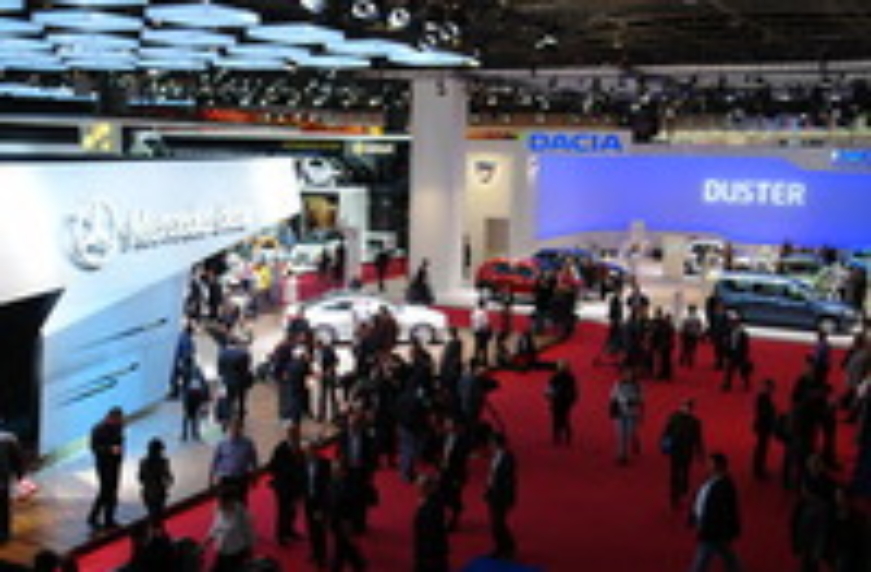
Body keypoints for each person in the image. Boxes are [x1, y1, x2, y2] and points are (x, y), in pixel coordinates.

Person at [688, 453, 743, 572]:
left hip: (713, 529)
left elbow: (724, 511)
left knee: (701, 559)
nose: (707, 465)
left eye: (710, 463)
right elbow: (701, 498)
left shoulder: (725, 486)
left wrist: (706, 526)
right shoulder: (710, 480)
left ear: (718, 466)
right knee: (725, 551)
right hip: (712, 528)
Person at [661, 399, 705, 509]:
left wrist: (699, 452)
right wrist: (664, 445)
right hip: (676, 450)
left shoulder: (695, 422)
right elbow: (667, 432)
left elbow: (698, 438)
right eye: (683, 406)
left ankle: (683, 489)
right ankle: (674, 497)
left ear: (691, 410)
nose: (684, 409)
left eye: (686, 408)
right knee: (675, 474)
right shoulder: (673, 418)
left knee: (685, 472)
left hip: (687, 451)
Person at [267, 423, 306, 545]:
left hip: (295, 486)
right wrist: (287, 471)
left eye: (297, 434)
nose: (296, 436)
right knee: (283, 511)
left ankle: (290, 530)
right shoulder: (280, 448)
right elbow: (273, 466)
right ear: (289, 434)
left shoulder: (299, 448)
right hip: (283, 486)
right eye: (294, 434)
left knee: (292, 511)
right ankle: (281, 535)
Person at [88, 407, 125, 530]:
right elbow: (94, 448)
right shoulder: (98, 429)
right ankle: (93, 516)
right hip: (104, 465)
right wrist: (110, 449)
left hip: (115, 464)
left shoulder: (118, 428)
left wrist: (119, 455)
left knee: (113, 492)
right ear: (111, 418)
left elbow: (119, 444)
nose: (120, 421)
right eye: (118, 419)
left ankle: (109, 519)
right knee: (105, 491)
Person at [204, 489, 256, 572]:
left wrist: (250, 550)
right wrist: (206, 541)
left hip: (236, 552)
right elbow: (215, 528)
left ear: (230, 501)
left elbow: (248, 532)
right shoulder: (219, 509)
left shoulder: (240, 514)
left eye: (222, 502)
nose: (219, 505)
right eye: (219, 502)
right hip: (222, 550)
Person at [484, 432, 517, 561]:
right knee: (495, 523)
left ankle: (509, 547)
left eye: (491, 442)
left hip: (501, 496)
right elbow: (491, 474)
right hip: (493, 493)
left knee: (498, 523)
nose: (489, 444)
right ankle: (500, 547)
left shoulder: (508, 458)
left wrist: (508, 498)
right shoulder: (494, 456)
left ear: (497, 444)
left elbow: (509, 481)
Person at [209, 418, 259, 504]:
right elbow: (214, 462)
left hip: (241, 478)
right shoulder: (221, 443)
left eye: (237, 427)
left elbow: (253, 460)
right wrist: (211, 479)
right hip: (226, 478)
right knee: (225, 504)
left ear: (241, 428)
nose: (235, 430)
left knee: (241, 502)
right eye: (232, 427)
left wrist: (254, 476)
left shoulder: (248, 443)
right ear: (228, 428)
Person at [303, 442, 332, 569]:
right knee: (311, 528)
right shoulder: (303, 464)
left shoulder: (325, 464)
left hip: (320, 502)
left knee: (320, 529)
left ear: (317, 451)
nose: (309, 454)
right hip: (309, 501)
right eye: (308, 452)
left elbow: (328, 487)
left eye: (312, 451)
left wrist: (323, 507)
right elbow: (302, 481)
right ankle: (315, 552)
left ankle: (322, 556)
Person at [414, 475, 448, 572]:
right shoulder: (431, 500)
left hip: (430, 548)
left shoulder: (432, 505)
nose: (417, 491)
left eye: (420, 488)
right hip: (430, 545)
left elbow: (430, 529)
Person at [609, 370, 644, 465]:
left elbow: (641, 400)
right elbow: (612, 397)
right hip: (619, 413)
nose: (627, 376)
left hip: (632, 413)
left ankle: (634, 440)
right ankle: (622, 455)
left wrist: (640, 412)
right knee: (621, 434)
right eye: (625, 375)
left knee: (629, 433)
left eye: (629, 375)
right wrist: (613, 408)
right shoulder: (618, 385)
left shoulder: (638, 387)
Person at [138, 438, 173, 522]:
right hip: (158, 491)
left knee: (153, 514)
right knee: (158, 514)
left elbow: (141, 478)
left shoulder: (143, 462)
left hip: (148, 492)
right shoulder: (163, 462)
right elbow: (168, 477)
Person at [0, 424, 24, 543]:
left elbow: (17, 458)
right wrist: (20, 474)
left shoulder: (9, 438)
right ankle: (4, 534)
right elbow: (18, 459)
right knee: (3, 507)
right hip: (3, 479)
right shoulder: (9, 438)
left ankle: (4, 534)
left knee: (3, 506)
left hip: (2, 478)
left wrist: (20, 474)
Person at [545, 361, 578, 445]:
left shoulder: (556, 377)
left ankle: (557, 437)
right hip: (564, 401)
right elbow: (574, 391)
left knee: (557, 419)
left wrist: (549, 396)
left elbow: (549, 389)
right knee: (564, 419)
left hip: (558, 400)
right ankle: (565, 437)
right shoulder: (570, 378)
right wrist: (572, 400)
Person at [752, 378, 778, 480]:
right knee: (761, 447)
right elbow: (764, 413)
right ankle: (758, 469)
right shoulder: (763, 398)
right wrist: (772, 415)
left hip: (763, 425)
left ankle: (758, 467)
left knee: (761, 447)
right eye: (771, 388)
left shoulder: (763, 397)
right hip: (763, 426)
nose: (772, 390)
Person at [471, 301, 492, 367]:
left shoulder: (474, 311)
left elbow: (472, 319)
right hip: (482, 331)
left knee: (477, 346)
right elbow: (486, 323)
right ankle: (484, 361)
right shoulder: (483, 312)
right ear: (483, 305)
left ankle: (476, 360)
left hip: (476, 331)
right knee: (484, 347)